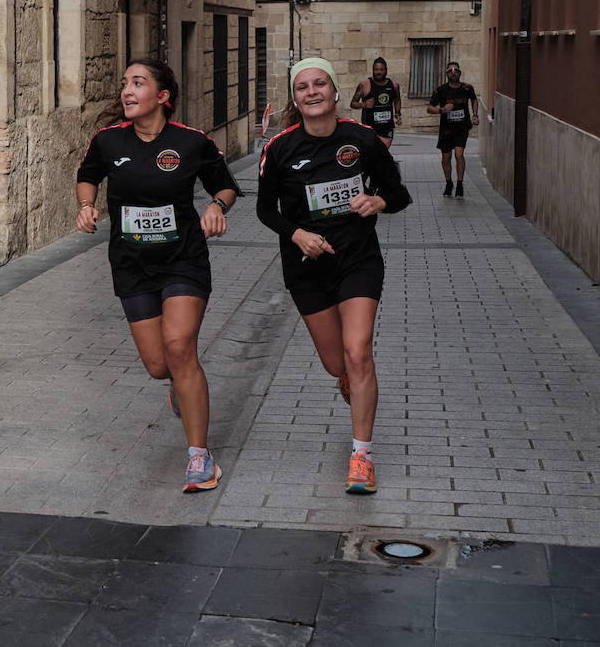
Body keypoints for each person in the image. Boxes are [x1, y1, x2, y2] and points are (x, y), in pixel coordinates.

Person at [76, 60, 240, 493]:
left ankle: (200, 459)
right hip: (131, 263)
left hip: (183, 258)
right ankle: (178, 387)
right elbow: (88, 175)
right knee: (157, 365)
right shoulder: (108, 141)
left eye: (138, 82)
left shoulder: (191, 142)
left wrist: (216, 206)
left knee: (180, 345)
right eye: (125, 82)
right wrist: (87, 204)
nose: (127, 90)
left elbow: (225, 185)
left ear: (163, 96)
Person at [257, 57, 411, 494]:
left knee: (358, 351)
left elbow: (398, 193)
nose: (312, 92)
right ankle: (348, 379)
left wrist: (377, 203)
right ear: (295, 97)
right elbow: (265, 210)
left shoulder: (362, 140)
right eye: (303, 86)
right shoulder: (281, 147)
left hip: (358, 259)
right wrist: (298, 234)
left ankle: (361, 456)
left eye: (320, 83)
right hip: (306, 267)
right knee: (336, 363)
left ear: (335, 91)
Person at [426, 61, 480, 197]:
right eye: (450, 71)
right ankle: (449, 182)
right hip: (446, 129)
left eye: (456, 71)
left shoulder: (467, 88)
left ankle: (460, 184)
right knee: (446, 157)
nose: (453, 73)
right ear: (446, 74)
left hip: (462, 127)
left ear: (460, 73)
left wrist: (475, 115)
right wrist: (442, 110)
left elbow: (474, 100)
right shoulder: (441, 90)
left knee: (459, 155)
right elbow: (429, 108)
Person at [349, 56, 402, 148]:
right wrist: (364, 104)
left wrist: (398, 114)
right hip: (370, 127)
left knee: (383, 152)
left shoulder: (394, 85)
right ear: (373, 70)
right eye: (376, 69)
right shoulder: (365, 85)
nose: (379, 72)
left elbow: (397, 99)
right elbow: (353, 103)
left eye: (381, 69)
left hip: (387, 126)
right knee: (371, 152)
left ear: (386, 70)